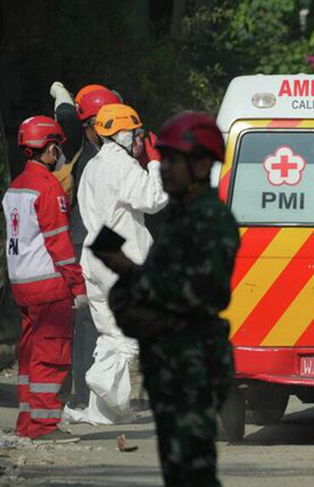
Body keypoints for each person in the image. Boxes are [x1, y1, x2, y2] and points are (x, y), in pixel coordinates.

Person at [97, 112, 238, 486]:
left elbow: (206, 292)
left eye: (174, 161)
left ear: (202, 164)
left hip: (191, 365)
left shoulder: (209, 219)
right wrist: (128, 271)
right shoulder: (182, 216)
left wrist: (137, 283)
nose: (164, 169)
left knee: (192, 471)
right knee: (179, 470)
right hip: (171, 363)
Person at [69, 103, 168, 425]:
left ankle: (102, 411)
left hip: (94, 254)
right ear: (125, 133)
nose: (140, 140)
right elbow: (154, 201)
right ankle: (100, 378)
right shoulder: (124, 165)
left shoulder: (93, 166)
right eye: (137, 134)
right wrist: (154, 164)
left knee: (110, 333)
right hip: (120, 256)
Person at [3, 115, 87, 443]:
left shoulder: (16, 186)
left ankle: (27, 422)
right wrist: (76, 285)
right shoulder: (47, 187)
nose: (60, 156)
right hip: (48, 284)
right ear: (50, 149)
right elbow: (59, 243)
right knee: (51, 355)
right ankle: (44, 425)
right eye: (58, 149)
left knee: (28, 354)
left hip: (21, 283)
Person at [48, 82, 121, 408]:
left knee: (95, 317)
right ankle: (84, 394)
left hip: (97, 241)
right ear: (92, 124)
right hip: (83, 242)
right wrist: (62, 97)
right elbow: (65, 113)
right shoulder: (87, 149)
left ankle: (92, 392)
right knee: (87, 319)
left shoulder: (102, 150)